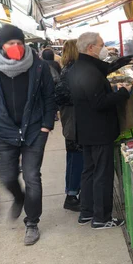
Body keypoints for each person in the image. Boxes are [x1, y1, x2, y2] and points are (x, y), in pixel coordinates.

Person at [0, 24, 56, 245]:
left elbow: (49, 95)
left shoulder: (37, 66)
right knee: (7, 177)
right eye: (11, 43)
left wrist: (47, 124)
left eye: (20, 43)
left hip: (34, 130)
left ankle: (32, 222)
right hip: (2, 131)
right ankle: (18, 197)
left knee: (32, 176)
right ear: (1, 45)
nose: (17, 47)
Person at [68, 32, 131, 229]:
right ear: (90, 48)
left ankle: (86, 212)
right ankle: (102, 217)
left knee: (89, 171)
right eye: (102, 44)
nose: (104, 48)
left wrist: (123, 61)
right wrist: (122, 93)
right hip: (99, 130)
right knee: (102, 174)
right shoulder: (89, 71)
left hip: (86, 129)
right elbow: (99, 102)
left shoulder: (80, 66)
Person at [54, 40, 82, 212]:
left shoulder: (68, 69)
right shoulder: (72, 71)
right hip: (73, 122)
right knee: (75, 158)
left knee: (74, 158)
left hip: (71, 121)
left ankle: (73, 193)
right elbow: (61, 97)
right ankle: (71, 196)